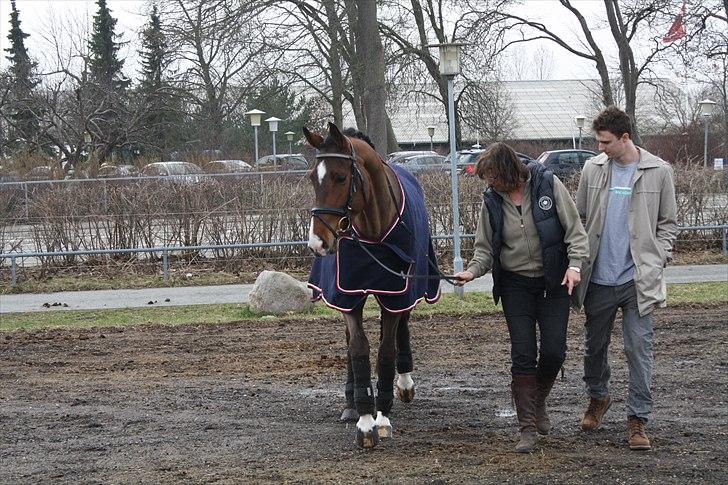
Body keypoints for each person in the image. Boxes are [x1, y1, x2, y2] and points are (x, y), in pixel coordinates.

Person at [453, 142, 589, 453]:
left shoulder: (548, 185)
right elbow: (484, 250)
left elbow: (575, 232)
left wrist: (575, 265)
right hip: (515, 286)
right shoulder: (492, 202)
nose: (490, 184)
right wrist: (472, 272)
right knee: (523, 354)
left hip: (553, 282)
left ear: (508, 171)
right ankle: (527, 427)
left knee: (555, 351)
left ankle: (537, 400)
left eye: (493, 178)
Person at [575, 106, 677, 451]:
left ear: (625, 138)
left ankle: (638, 420)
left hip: (639, 281)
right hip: (599, 280)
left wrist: (657, 258)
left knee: (638, 350)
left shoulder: (658, 171)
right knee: (594, 347)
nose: (600, 148)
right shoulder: (592, 169)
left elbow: (668, 224)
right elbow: (580, 219)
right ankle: (598, 397)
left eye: (605, 142)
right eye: (598, 141)